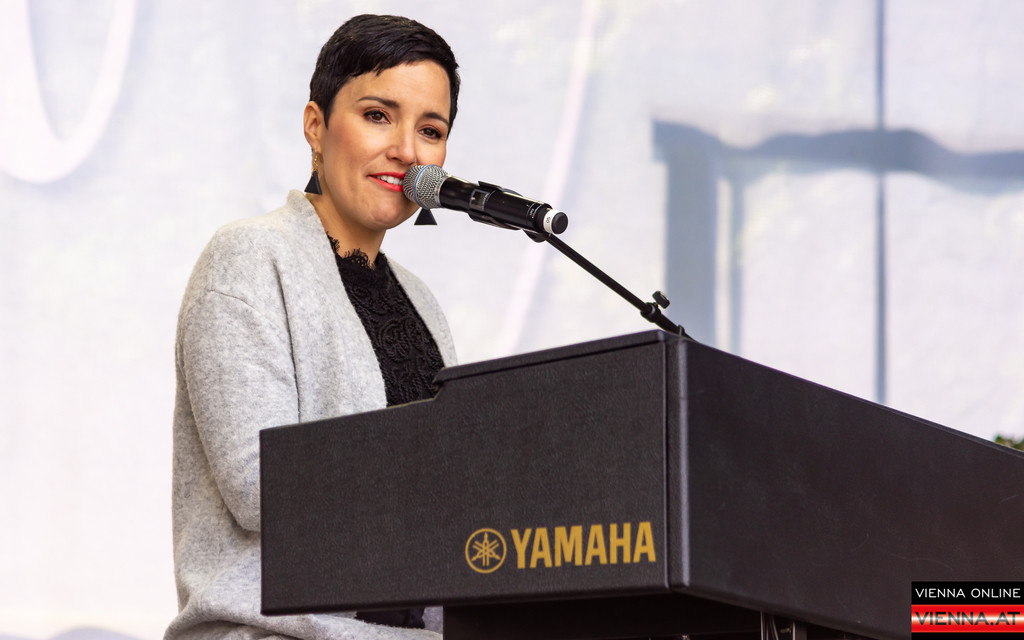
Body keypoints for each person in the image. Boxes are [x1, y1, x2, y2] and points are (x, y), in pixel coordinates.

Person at [166, 14, 460, 640]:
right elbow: (262, 487)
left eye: (430, 131)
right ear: (316, 126)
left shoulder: (422, 302)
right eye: (378, 115)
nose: (407, 151)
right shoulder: (250, 257)